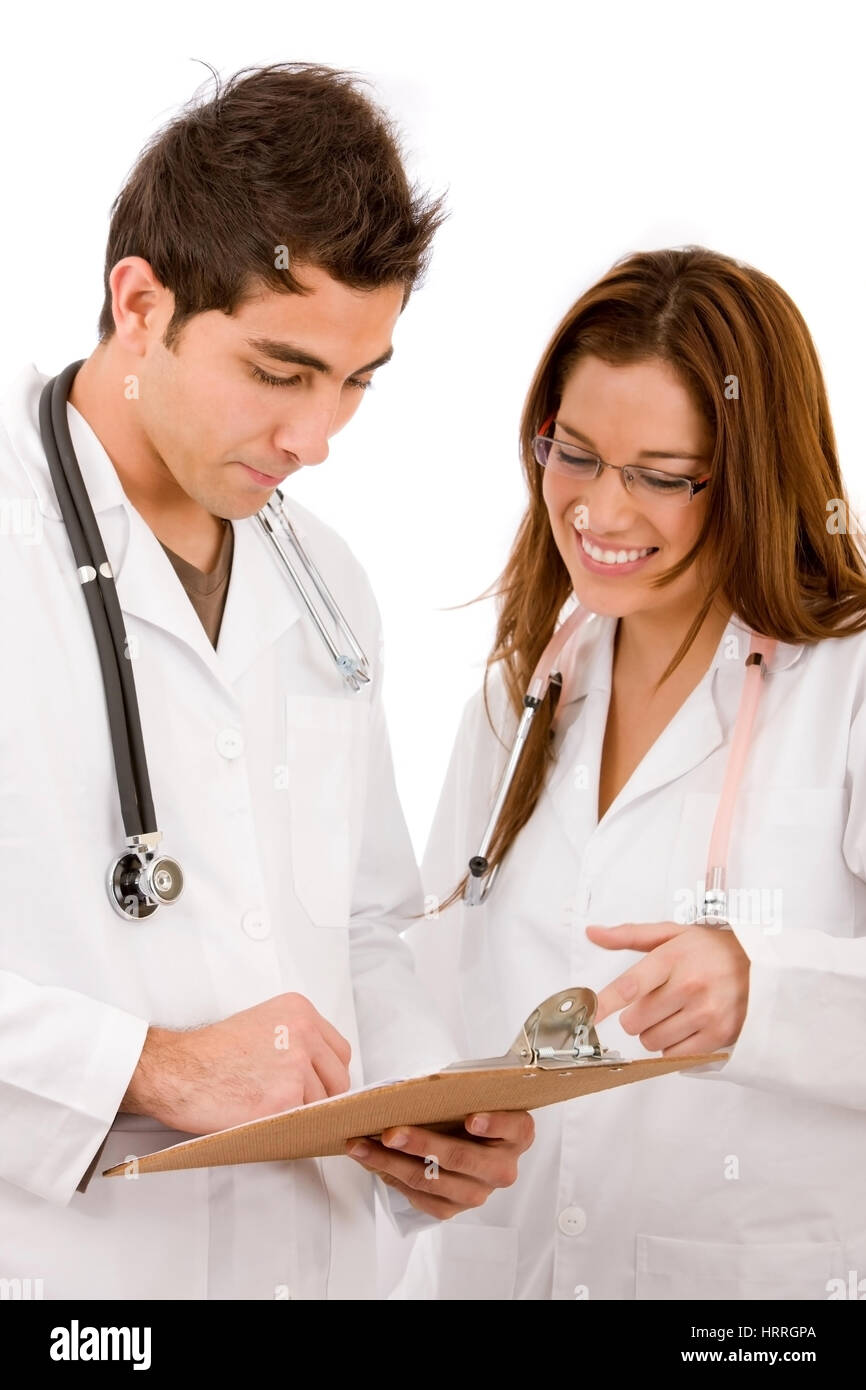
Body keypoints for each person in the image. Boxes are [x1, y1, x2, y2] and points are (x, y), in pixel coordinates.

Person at [0, 61, 532, 1302]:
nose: (318, 438)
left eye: (357, 380)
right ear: (140, 304)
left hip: (316, 1268)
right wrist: (144, 1067)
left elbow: (359, 926)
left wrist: (425, 1109)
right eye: (281, 372)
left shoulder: (326, 583)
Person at [397, 246, 866, 1301]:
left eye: (659, 475)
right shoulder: (521, 695)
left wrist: (763, 992)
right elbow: (425, 986)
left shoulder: (845, 685)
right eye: (573, 454)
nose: (600, 513)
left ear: (753, 475)